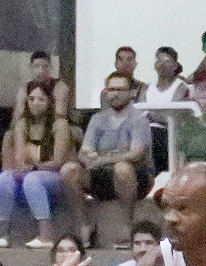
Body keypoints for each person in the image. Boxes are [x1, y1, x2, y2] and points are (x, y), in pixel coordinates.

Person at [62, 73, 153, 244]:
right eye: (111, 89)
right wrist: (90, 158)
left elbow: (135, 153)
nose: (115, 94)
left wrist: (102, 159)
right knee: (69, 170)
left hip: (136, 177)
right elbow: (85, 152)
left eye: (120, 89)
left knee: (122, 167)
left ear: (131, 93)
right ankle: (84, 225)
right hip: (101, 175)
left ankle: (128, 226)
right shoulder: (97, 119)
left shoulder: (139, 118)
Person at [0, 80, 73, 249]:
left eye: (41, 99)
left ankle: (46, 235)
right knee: (3, 179)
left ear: (50, 102)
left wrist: (35, 166)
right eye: (31, 99)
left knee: (32, 180)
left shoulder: (60, 124)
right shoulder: (22, 124)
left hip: (55, 175)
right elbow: (20, 157)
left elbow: (58, 161)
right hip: (31, 170)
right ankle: (3, 234)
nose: (35, 103)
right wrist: (22, 167)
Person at [12, 51, 71, 120]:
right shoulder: (24, 88)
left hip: (54, 124)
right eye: (36, 66)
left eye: (45, 66)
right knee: (19, 124)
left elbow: (60, 113)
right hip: (30, 125)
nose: (41, 71)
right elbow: (18, 115)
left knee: (61, 124)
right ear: (31, 68)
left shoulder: (59, 86)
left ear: (50, 68)